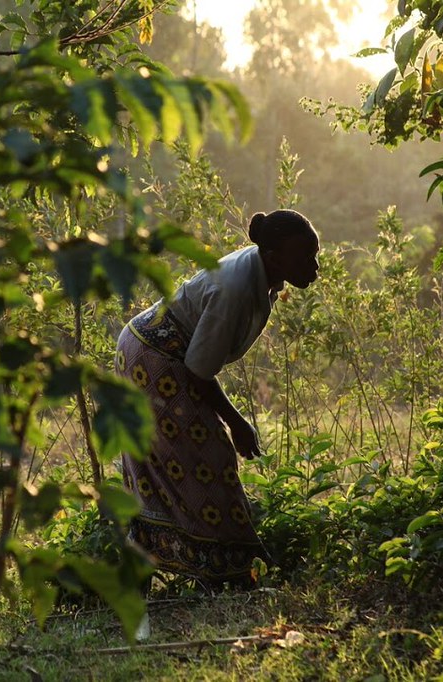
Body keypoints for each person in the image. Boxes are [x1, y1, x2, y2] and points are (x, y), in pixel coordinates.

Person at [115, 209, 320, 587]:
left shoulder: (262, 271)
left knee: (182, 463)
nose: (316, 267)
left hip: (151, 349)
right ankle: (225, 569)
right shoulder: (237, 289)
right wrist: (237, 422)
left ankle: (183, 565)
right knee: (209, 459)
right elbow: (197, 370)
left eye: (315, 255)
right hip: (154, 358)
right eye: (306, 258)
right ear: (275, 257)